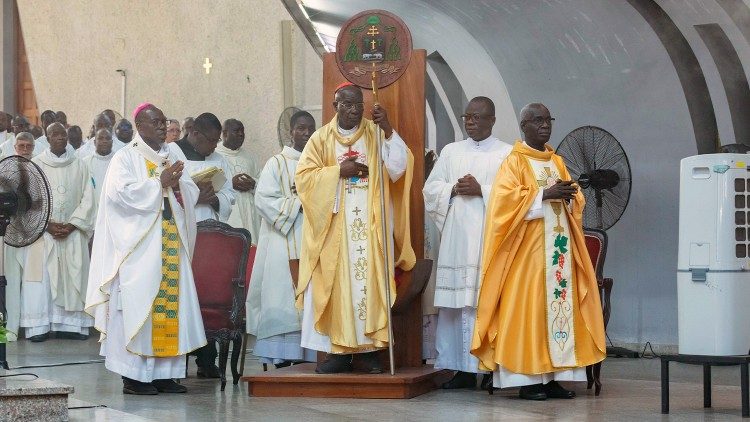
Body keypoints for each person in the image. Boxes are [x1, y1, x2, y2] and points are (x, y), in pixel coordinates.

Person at [471, 103, 606, 400]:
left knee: (559, 312)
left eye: (548, 120)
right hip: (528, 254)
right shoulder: (514, 162)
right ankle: (529, 380)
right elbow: (502, 204)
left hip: (558, 253)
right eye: (538, 120)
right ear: (524, 126)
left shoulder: (556, 161)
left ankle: (555, 378)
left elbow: (575, 198)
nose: (545, 125)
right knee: (528, 312)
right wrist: (544, 194)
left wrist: (571, 196)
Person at [85, 103, 206, 395]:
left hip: (169, 247)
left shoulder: (173, 154)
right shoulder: (125, 158)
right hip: (139, 252)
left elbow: (189, 190)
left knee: (168, 310)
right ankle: (134, 377)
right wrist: (158, 184)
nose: (163, 126)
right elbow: (119, 197)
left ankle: (165, 375)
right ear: (141, 127)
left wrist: (178, 188)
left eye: (164, 121)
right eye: (156, 122)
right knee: (140, 309)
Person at [296, 83, 415, 374]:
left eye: (358, 105)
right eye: (347, 104)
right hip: (333, 229)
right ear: (335, 105)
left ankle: (370, 351)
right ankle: (336, 353)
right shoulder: (320, 139)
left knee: (368, 284)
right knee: (334, 286)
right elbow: (304, 179)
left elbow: (399, 167)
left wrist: (387, 128)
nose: (353, 110)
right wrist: (339, 172)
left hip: (370, 227)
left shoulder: (374, 134)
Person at [423, 97, 513, 390]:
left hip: (489, 240)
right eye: (467, 117)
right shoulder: (451, 152)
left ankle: (488, 366)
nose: (470, 121)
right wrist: (451, 188)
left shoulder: (507, 154)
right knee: (456, 306)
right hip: (457, 240)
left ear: (492, 120)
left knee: (485, 303)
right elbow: (431, 188)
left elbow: (516, 196)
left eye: (477, 117)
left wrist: (483, 190)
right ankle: (459, 368)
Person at [246, 111, 316, 368]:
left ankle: (310, 353)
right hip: (282, 239)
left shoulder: (320, 163)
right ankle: (281, 355)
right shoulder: (276, 163)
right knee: (282, 294)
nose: (306, 133)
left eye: (310, 128)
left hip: (311, 238)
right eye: (300, 128)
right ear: (290, 132)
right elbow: (263, 199)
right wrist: (298, 201)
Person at [20, 123, 96, 342]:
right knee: (41, 280)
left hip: (72, 232)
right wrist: (47, 224)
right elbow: (28, 199)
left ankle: (70, 325)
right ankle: (39, 326)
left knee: (73, 275)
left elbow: (89, 199)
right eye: (55, 134)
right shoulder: (36, 165)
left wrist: (73, 225)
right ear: (48, 137)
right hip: (44, 234)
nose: (60, 137)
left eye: (63, 134)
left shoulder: (80, 165)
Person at [2, 132, 35, 341]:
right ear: (15, 147)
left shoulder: (40, 168)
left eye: (28, 146)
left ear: (33, 147)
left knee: (33, 283)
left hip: (35, 233)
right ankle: (11, 328)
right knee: (11, 282)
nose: (24, 149)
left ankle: (32, 326)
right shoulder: (5, 168)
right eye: (20, 145)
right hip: (11, 233)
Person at [175, 113, 235, 223]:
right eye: (211, 140)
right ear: (195, 133)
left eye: (217, 140)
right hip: (181, 226)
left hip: (211, 228)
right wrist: (194, 198)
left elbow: (229, 193)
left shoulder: (219, 159)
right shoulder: (171, 153)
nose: (215, 146)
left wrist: (215, 200)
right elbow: (163, 195)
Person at [215, 119, 261, 241]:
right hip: (229, 213)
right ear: (224, 134)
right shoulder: (214, 155)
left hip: (250, 211)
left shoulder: (250, 157)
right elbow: (210, 184)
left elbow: (262, 182)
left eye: (242, 131)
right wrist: (230, 183)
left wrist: (253, 184)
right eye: (236, 131)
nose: (241, 134)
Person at [81, 128, 114, 208]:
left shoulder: (119, 161)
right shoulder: (85, 163)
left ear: (112, 142)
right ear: (95, 142)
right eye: (101, 138)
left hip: (114, 208)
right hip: (91, 210)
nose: (104, 141)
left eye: (107, 138)